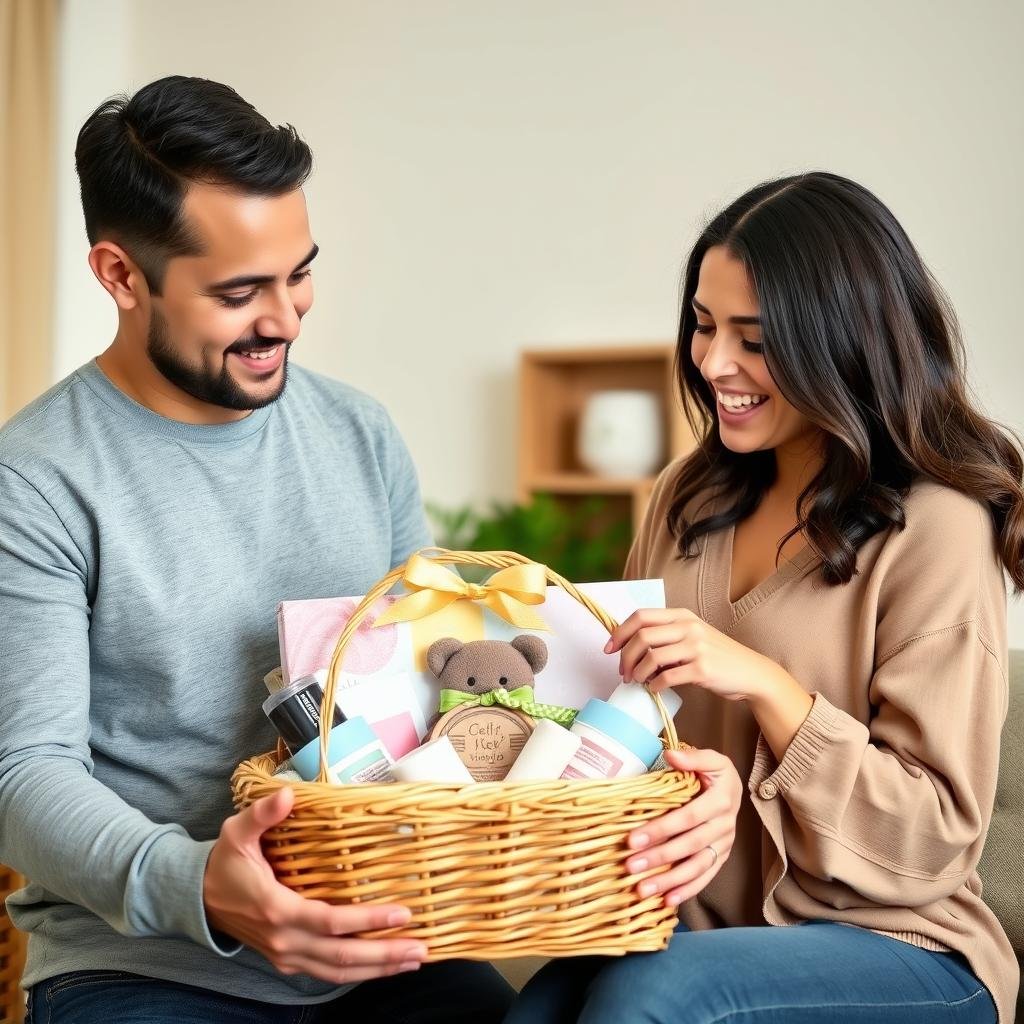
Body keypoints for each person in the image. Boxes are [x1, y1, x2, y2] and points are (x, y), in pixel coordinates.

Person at [0, 76, 514, 1023]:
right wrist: (203, 885)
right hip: (145, 966)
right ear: (119, 276)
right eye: (238, 292)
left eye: (299, 273)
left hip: (376, 945)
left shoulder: (361, 434)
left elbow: (427, 686)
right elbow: (24, 773)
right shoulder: (34, 480)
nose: (284, 318)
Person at [505, 172, 1021, 1023]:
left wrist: (768, 685)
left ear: (843, 342)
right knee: (542, 1007)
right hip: (693, 932)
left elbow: (932, 837)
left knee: (654, 995)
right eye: (704, 327)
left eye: (755, 338)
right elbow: (633, 729)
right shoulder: (686, 498)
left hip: (903, 947)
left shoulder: (938, 527)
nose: (713, 364)